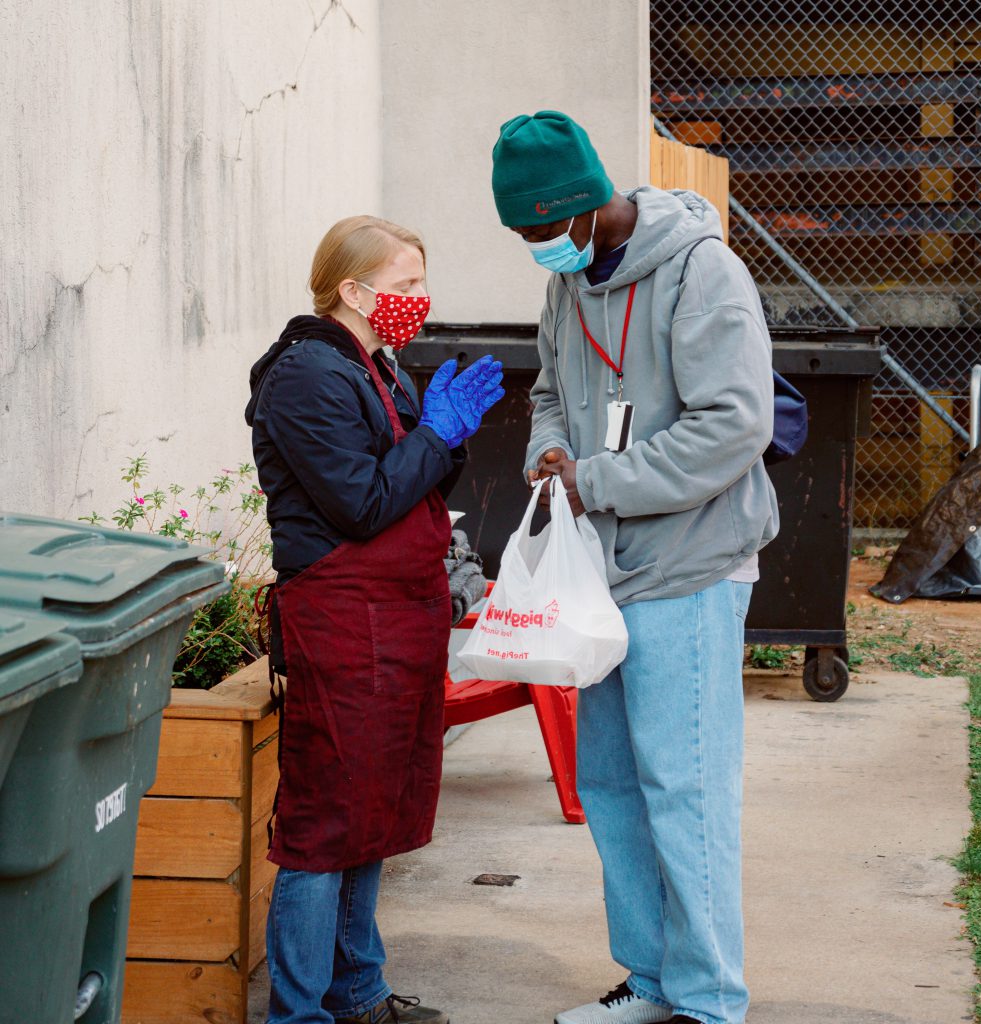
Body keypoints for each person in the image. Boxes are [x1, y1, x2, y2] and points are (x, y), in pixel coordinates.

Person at [490, 111, 779, 1024]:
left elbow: (734, 424)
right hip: (602, 574)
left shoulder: (704, 272)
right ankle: (652, 981)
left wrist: (597, 480)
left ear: (580, 207)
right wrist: (548, 454)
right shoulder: (568, 287)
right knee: (611, 784)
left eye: (541, 230)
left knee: (683, 788)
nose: (537, 250)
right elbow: (546, 392)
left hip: (690, 568)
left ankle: (708, 1001)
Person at [244, 215, 504, 1024]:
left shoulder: (376, 367)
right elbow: (361, 504)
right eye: (405, 286)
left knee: (372, 813)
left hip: (394, 618)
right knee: (327, 820)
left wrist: (445, 437)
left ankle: (357, 992)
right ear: (352, 290)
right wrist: (435, 432)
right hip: (342, 620)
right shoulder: (306, 376)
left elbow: (414, 482)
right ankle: (300, 1013)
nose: (419, 301)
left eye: (422, 283)